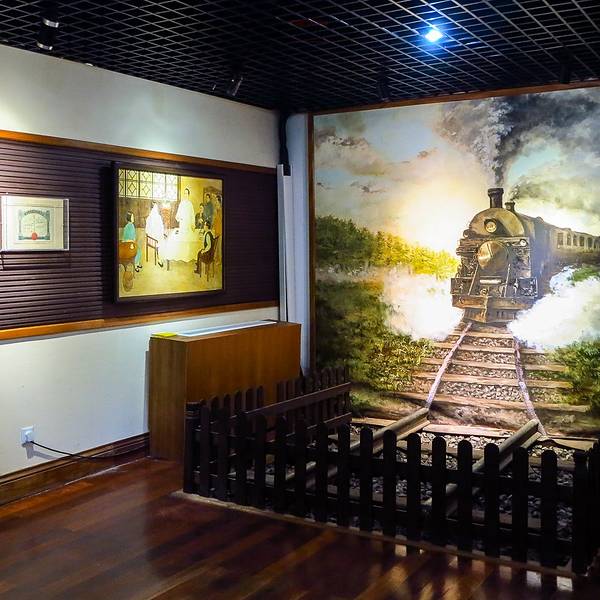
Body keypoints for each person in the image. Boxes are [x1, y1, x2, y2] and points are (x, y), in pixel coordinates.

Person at [145, 201, 166, 268]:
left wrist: (161, 233)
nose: (156, 208)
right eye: (155, 207)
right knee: (161, 242)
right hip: (152, 239)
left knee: (163, 240)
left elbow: (161, 228)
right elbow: (147, 230)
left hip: (152, 238)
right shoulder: (152, 218)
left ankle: (161, 256)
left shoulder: (152, 217)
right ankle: (160, 259)